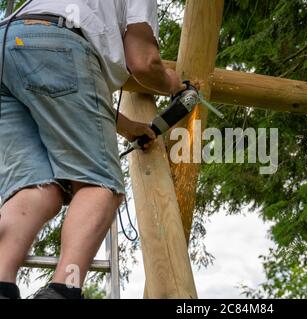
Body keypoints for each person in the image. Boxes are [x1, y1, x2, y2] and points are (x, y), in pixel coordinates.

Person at [0, 0, 183, 299]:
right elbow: (143, 62)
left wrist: (128, 127)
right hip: (58, 45)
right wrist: (172, 83)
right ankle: (63, 290)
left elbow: (73, 95)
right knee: (100, 184)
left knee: (36, 188)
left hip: (8, 43)